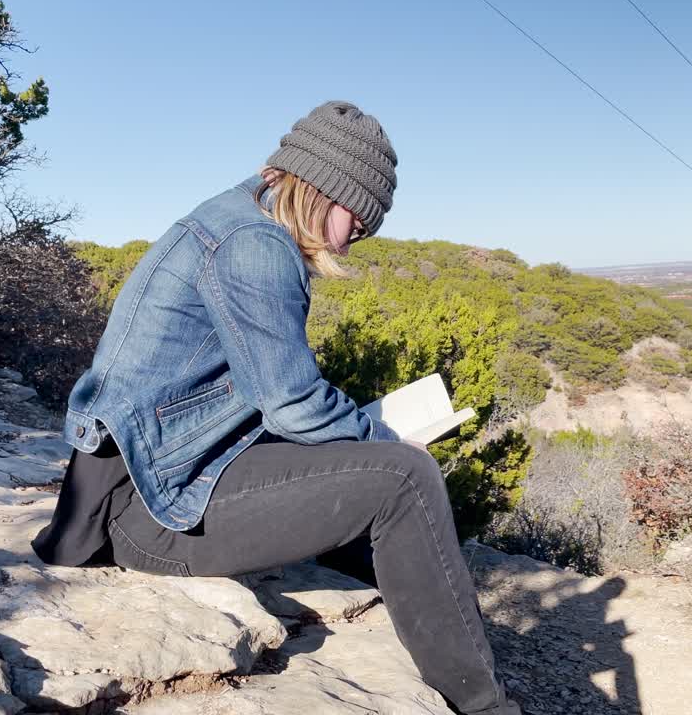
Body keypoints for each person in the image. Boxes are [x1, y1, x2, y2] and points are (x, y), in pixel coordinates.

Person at [32, 101, 521, 715]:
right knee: (405, 476)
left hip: (144, 482)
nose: (357, 240)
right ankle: (484, 706)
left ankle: (419, 626)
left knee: (366, 463)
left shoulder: (235, 219)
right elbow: (292, 405)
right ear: (328, 194)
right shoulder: (254, 246)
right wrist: (386, 433)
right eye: (360, 223)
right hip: (152, 513)